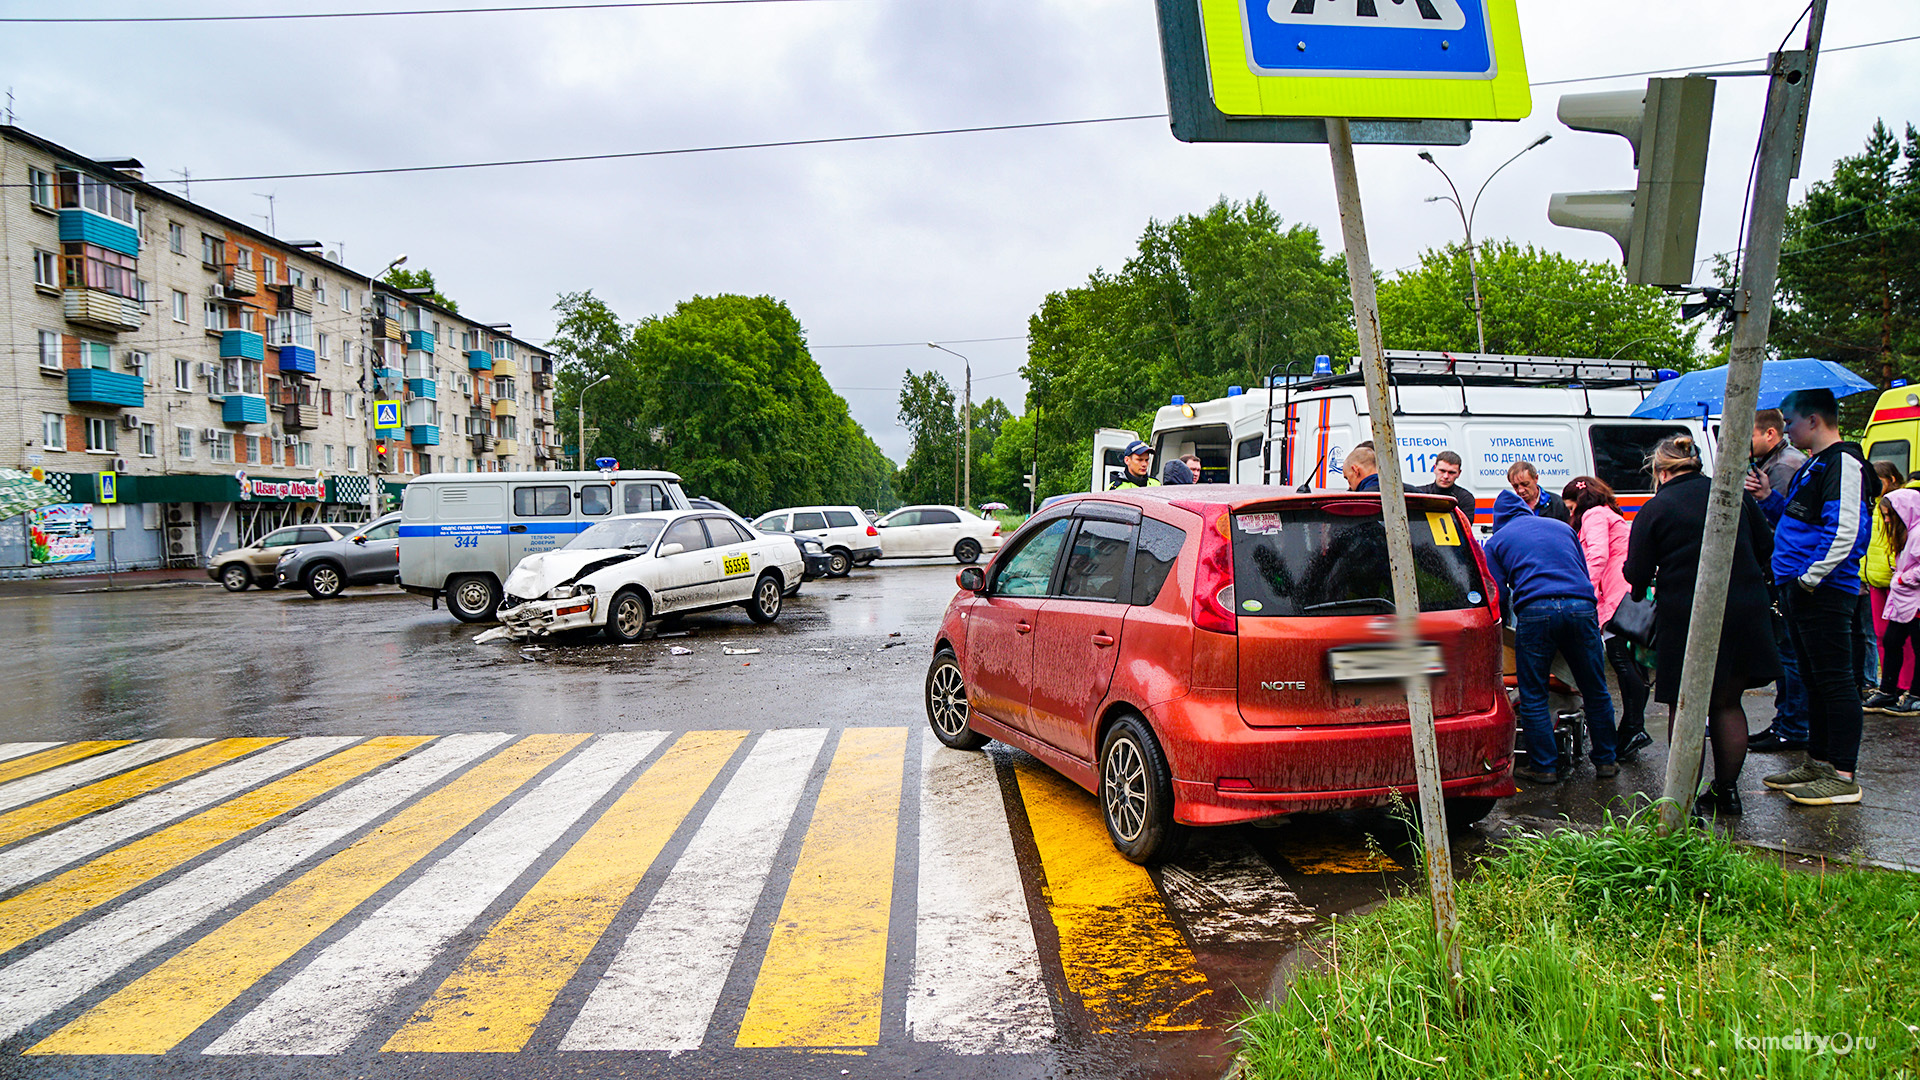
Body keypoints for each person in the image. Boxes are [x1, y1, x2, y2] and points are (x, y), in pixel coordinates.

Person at [1624, 436, 1781, 815]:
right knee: (1728, 703)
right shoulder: (1733, 497)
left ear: (1661, 471)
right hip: (1743, 608)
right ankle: (1727, 792)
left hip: (1687, 614)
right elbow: (1766, 547)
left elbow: (1637, 574)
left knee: (1687, 706)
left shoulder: (1657, 508)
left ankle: (1683, 801)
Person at [1746, 388, 1873, 806]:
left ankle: (1843, 774)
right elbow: (1803, 520)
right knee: (1816, 680)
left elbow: (1847, 531)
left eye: (1792, 423)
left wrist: (1808, 579)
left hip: (1824, 591)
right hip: (1803, 588)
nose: (1786, 430)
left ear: (1814, 420)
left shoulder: (1844, 463)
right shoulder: (1815, 466)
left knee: (1836, 681)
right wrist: (1770, 498)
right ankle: (1818, 761)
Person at [1483, 489, 1619, 784]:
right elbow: (1582, 570)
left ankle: (1544, 766)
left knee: (1534, 693)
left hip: (1536, 610)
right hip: (1581, 606)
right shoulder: (1563, 528)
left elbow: (1498, 592)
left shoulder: (1497, 541)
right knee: (1595, 690)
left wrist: (1502, 629)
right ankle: (1607, 761)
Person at [1563, 476, 1652, 760]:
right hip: (1626, 593)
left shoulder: (1594, 515)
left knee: (1623, 663)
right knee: (1633, 666)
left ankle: (1633, 728)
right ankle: (1631, 728)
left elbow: (1598, 556)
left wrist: (1582, 590)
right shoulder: (1609, 513)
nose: (1570, 514)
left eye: (1570, 507)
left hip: (1615, 598)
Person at [1748, 409, 1813, 753]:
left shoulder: (1786, 466)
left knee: (1790, 653)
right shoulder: (1776, 462)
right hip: (1782, 568)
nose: (1748, 442)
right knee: (1787, 651)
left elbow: (1790, 523)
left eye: (1752, 435)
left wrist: (1763, 501)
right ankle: (1786, 721)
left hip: (1787, 570)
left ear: (1770, 433)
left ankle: (1793, 726)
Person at [1865, 478, 1920, 715]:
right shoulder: (1908, 532)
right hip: (1904, 599)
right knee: (1891, 641)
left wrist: (1901, 579)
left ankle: (1916, 696)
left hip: (1914, 599)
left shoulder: (1917, 533)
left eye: (1890, 515)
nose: (1887, 520)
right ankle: (1888, 690)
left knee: (1917, 647)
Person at [1413, 450, 1477, 525]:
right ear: (1434, 468)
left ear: (1459, 473)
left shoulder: (1465, 498)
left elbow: (1464, 529)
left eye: (1451, 472)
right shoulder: (1418, 493)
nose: (1446, 476)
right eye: (1442, 471)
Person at [1507, 460, 1572, 523]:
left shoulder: (1556, 503)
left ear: (1536, 478)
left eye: (1525, 484)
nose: (1521, 490)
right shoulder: (1510, 507)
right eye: (1515, 486)